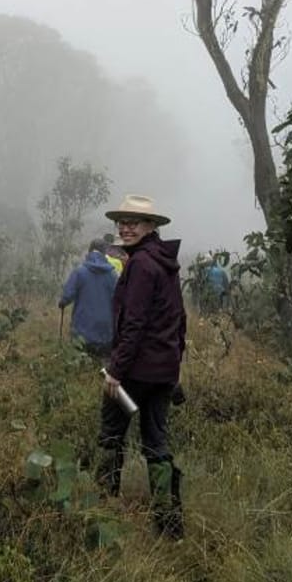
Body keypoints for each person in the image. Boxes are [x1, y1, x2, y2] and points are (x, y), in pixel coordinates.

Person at [98, 194, 186, 539]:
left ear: (151, 227)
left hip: (134, 374)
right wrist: (174, 368)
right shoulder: (165, 262)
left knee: (110, 436)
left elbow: (133, 324)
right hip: (162, 373)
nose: (125, 227)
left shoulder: (141, 265)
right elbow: (180, 320)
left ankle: (101, 510)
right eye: (121, 222)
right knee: (156, 444)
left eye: (134, 222)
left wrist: (116, 370)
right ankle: (168, 526)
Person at [58, 237, 117, 358]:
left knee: (81, 365)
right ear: (105, 252)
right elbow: (119, 298)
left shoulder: (80, 272)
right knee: (102, 365)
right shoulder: (112, 274)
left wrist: (62, 302)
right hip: (106, 331)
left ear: (89, 251)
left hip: (83, 330)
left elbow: (67, 295)